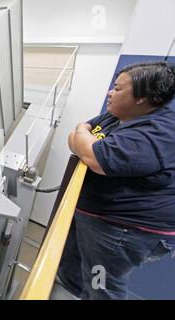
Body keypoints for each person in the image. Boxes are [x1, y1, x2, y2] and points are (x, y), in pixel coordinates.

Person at [58, 61, 175, 299]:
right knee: (73, 268)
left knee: (101, 284)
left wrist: (84, 138)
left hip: (120, 230)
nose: (109, 93)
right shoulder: (117, 115)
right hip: (93, 216)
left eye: (118, 89)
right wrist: (84, 137)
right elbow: (75, 138)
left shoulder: (158, 131)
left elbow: (95, 158)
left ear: (143, 97)